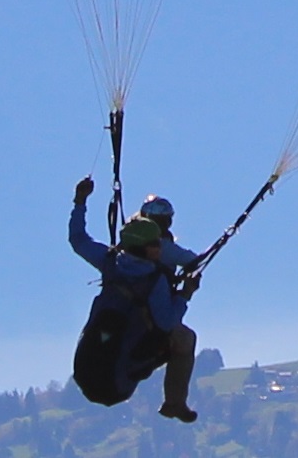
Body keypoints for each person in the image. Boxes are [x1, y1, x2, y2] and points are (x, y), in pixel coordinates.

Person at [67, 176, 205, 421]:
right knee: (185, 338)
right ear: (146, 248)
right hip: (118, 384)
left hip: (84, 374)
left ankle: (173, 403)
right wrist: (185, 294)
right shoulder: (154, 281)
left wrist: (80, 201)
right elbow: (167, 323)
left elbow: (78, 240)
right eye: (156, 244)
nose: (160, 247)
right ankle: (174, 403)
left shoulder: (110, 261)